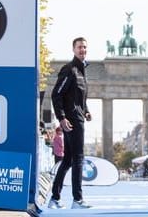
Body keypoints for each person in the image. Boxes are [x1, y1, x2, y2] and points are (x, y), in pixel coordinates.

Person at [48, 37, 92, 209]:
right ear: (73, 49)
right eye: (80, 47)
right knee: (78, 158)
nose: (83, 50)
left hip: (78, 116)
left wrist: (86, 110)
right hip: (72, 120)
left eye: (85, 47)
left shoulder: (81, 71)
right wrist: (62, 118)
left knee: (67, 160)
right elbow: (56, 94)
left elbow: (79, 97)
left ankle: (55, 198)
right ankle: (77, 200)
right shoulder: (70, 69)